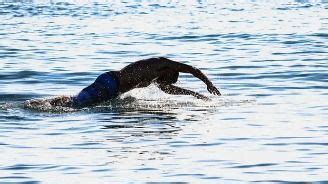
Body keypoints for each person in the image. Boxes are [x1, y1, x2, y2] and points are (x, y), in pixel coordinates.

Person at [25, 57, 221, 108]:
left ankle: (46, 103)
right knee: (76, 105)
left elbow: (172, 90)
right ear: (170, 72)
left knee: (75, 102)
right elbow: (191, 69)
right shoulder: (162, 63)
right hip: (110, 83)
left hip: (109, 82)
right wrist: (208, 83)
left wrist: (196, 95)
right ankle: (39, 105)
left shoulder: (158, 77)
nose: (163, 84)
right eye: (166, 80)